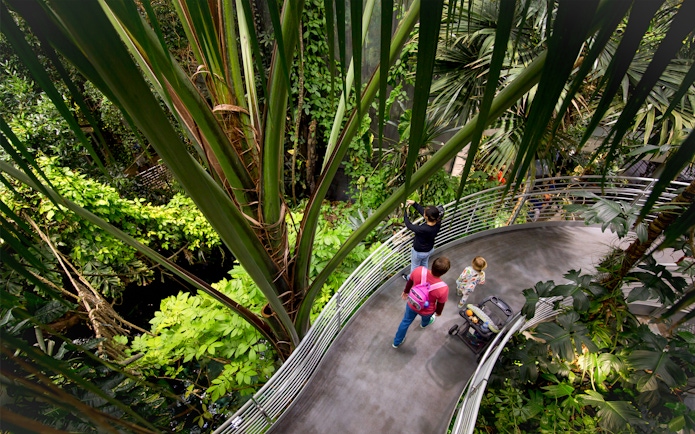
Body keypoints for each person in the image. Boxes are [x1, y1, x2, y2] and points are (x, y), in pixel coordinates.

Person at [392, 256, 451, 348]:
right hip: (427, 310)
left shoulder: (419, 270)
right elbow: (440, 304)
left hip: (412, 303)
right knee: (426, 318)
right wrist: (438, 312)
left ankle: (396, 342)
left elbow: (410, 282)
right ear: (444, 273)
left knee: (405, 321)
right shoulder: (443, 288)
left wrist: (406, 292)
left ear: (432, 265)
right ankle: (423, 324)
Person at [402, 199, 441, 280]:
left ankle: (411, 279)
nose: (423, 213)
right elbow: (426, 213)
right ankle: (424, 275)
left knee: (415, 267)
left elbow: (409, 225)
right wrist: (414, 204)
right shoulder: (437, 222)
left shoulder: (423, 229)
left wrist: (404, 213)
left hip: (419, 252)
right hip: (429, 249)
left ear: (426, 217)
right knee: (424, 263)